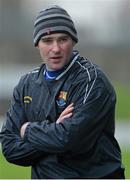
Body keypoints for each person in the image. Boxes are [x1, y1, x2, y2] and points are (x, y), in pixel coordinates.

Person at [0, 5, 125, 179]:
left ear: (73, 41)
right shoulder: (27, 84)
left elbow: (69, 139)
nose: (56, 48)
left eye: (63, 39)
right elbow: (9, 148)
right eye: (48, 40)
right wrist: (54, 131)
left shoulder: (92, 80)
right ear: (37, 44)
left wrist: (27, 130)